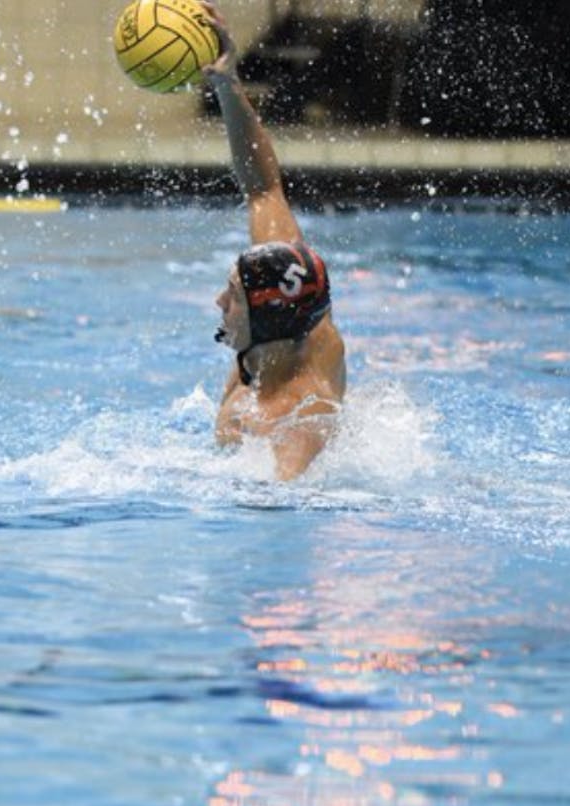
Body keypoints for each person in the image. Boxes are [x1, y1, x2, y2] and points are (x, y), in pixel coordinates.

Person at [203, 2, 347, 481]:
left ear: (265, 316)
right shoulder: (296, 302)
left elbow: (283, 500)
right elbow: (264, 188)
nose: (219, 301)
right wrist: (228, 84)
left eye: (234, 297)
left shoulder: (299, 419)